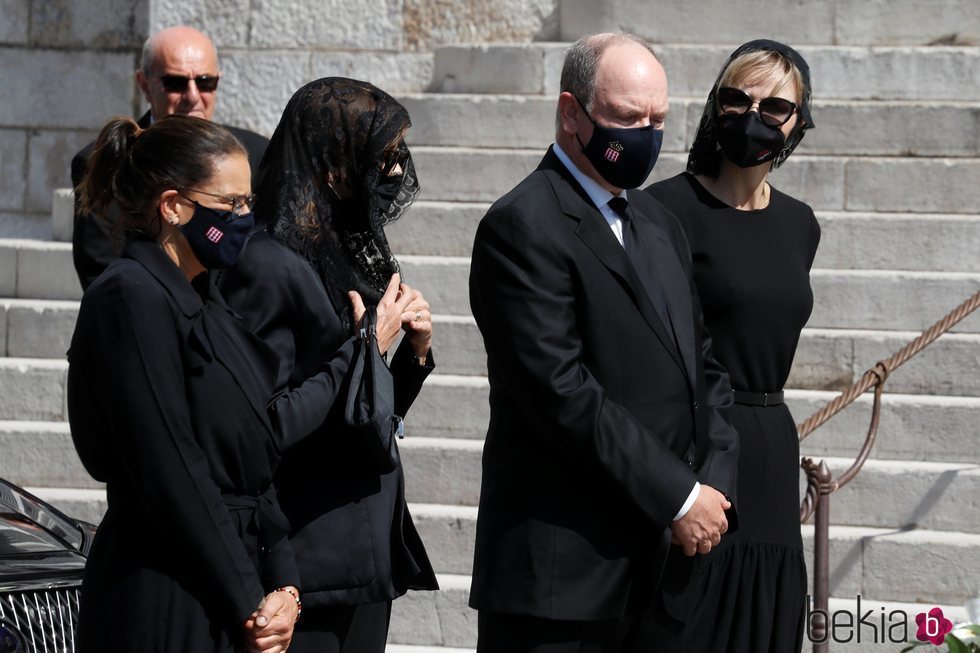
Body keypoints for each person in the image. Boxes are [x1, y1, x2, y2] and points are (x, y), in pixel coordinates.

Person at [466, 32, 740, 653]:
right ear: (572, 114)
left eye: (658, 120)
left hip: (664, 576)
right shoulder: (522, 226)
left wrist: (713, 487)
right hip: (565, 583)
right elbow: (561, 393)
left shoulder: (658, 221)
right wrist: (679, 496)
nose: (644, 135)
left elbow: (704, 366)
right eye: (626, 118)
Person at [218, 77, 438, 653]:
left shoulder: (340, 254)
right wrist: (367, 344)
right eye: (380, 158)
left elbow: (365, 415)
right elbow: (266, 425)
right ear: (334, 164)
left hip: (361, 555)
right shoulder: (265, 264)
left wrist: (409, 355)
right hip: (305, 560)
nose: (392, 174)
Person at [67, 115, 301, 652]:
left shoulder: (206, 296)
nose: (245, 218)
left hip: (231, 585)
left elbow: (255, 460)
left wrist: (284, 583)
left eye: (249, 202)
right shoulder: (130, 297)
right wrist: (250, 602)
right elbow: (170, 466)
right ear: (173, 205)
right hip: (166, 593)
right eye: (231, 204)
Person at [640, 39, 819, 652]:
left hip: (771, 447)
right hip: (694, 446)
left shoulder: (801, 224)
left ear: (799, 122)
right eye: (738, 99)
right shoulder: (661, 211)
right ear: (716, 106)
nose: (754, 116)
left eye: (776, 107)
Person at [70, 25, 269, 290]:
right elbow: (101, 269)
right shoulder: (110, 160)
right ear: (144, 84)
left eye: (205, 82)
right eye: (175, 83)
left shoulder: (255, 154)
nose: (193, 96)